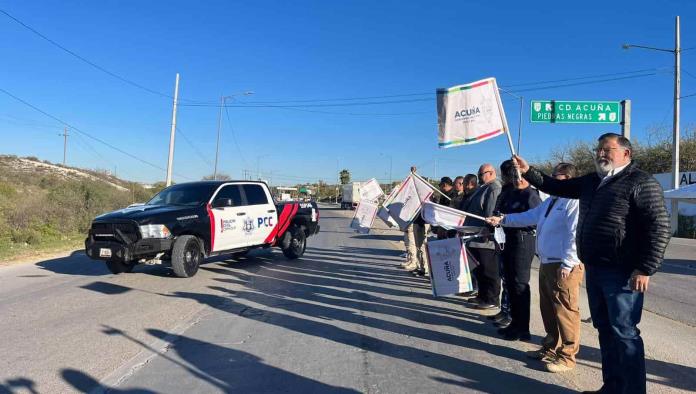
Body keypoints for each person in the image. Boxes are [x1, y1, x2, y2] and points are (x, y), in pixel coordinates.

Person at [513, 133, 671, 394]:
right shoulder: (591, 181)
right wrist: (529, 171)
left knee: (624, 333)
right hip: (596, 268)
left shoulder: (641, 182)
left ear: (625, 154)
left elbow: (659, 226)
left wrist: (645, 267)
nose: (600, 154)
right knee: (605, 331)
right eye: (598, 149)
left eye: (607, 149)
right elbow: (556, 187)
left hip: (623, 272)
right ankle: (612, 387)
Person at [488, 162, 583, 371]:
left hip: (564, 264)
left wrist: (568, 263)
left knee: (565, 310)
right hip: (547, 262)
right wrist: (503, 219)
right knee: (548, 309)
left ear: (571, 180)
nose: (556, 180)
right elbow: (528, 217)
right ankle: (549, 347)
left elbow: (574, 235)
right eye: (554, 176)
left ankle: (567, 356)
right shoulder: (551, 201)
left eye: (561, 178)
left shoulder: (573, 201)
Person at [493, 160, 542, 340]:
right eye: (511, 175)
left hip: (522, 241)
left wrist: (508, 219)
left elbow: (535, 220)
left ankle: (523, 328)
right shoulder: (510, 193)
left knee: (520, 284)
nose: (514, 178)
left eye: (517, 174)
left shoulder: (531, 195)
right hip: (506, 240)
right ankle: (514, 322)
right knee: (511, 285)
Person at [459, 164, 502, 309]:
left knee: (489, 271)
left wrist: (488, 229)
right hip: (473, 237)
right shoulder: (483, 188)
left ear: (491, 173)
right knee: (479, 270)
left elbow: (490, 212)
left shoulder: (494, 187)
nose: (479, 177)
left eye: (481, 174)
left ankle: (491, 299)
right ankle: (482, 296)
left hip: (485, 238)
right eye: (478, 174)